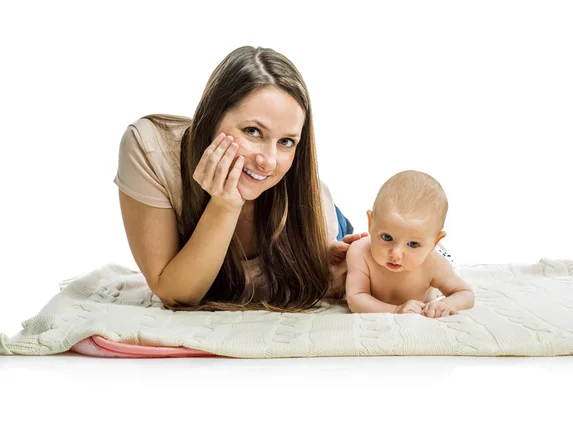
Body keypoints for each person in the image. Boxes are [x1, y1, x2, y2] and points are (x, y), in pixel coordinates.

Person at [115, 46, 364, 312]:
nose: (268, 160)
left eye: (286, 141)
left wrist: (320, 269)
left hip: (317, 224)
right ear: (211, 117)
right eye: (253, 131)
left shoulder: (312, 206)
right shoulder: (151, 148)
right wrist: (225, 204)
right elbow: (176, 294)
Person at [345, 170, 474, 318]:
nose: (396, 254)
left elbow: (466, 293)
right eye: (387, 237)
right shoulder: (360, 252)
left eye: (413, 244)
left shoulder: (433, 263)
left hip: (437, 257)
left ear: (434, 242)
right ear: (371, 223)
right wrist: (396, 310)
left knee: (445, 267)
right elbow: (355, 300)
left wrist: (447, 304)